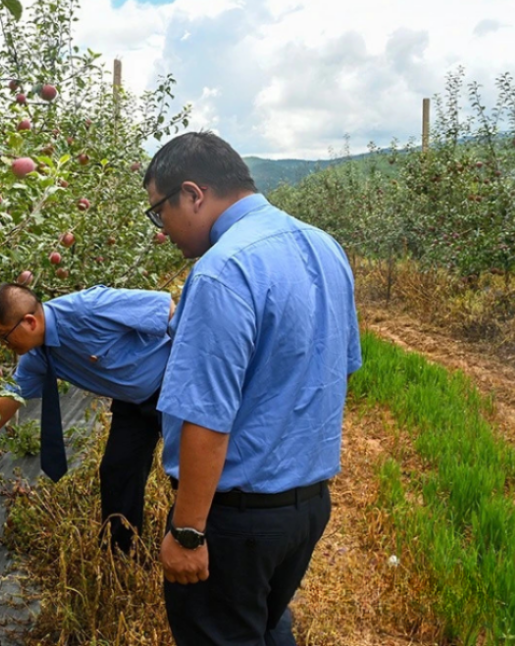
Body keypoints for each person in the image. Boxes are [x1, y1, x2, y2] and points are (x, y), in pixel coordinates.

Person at [142, 131, 361, 645]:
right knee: (265, 626)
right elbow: (338, 369)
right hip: (306, 509)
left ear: (192, 195)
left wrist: (188, 532)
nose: (162, 230)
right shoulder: (325, 246)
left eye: (158, 212)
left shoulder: (222, 271)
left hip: (238, 520)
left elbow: (206, 416)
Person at [0, 283, 174, 554]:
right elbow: (1, 407)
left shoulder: (89, 307)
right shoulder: (36, 358)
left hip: (173, 385)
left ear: (30, 322)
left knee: (185, 469)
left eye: (3, 335)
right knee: (117, 472)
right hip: (132, 401)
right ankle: (121, 554)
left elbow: (167, 310)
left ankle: (193, 543)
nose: (4, 345)